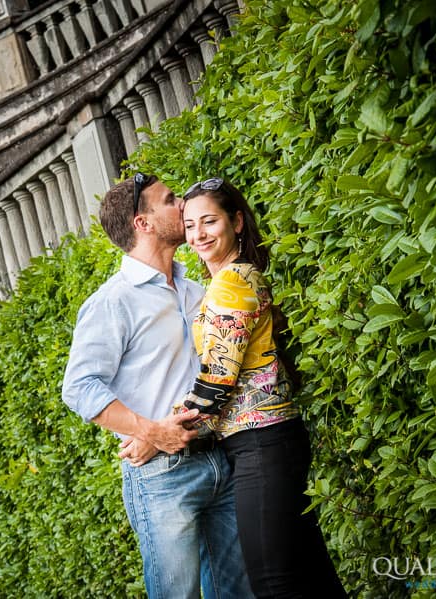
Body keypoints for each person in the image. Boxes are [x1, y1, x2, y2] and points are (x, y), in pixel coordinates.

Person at [62, 173, 254, 599]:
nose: (183, 205)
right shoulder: (114, 301)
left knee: (241, 593)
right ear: (143, 223)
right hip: (162, 478)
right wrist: (150, 432)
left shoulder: (195, 289)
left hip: (221, 458)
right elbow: (79, 387)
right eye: (170, 200)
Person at [180, 177, 347, 599]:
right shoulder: (243, 275)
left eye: (208, 222)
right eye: (189, 225)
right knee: (311, 578)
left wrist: (164, 433)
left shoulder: (230, 282)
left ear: (237, 222)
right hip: (272, 441)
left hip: (260, 444)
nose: (198, 234)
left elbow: (218, 379)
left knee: (275, 584)